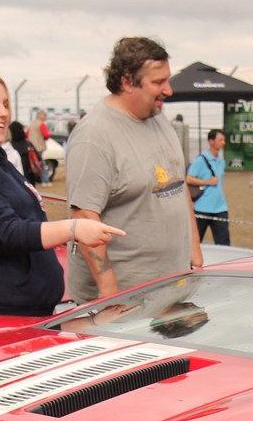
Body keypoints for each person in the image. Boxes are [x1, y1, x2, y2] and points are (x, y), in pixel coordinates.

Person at [0, 72, 122, 316]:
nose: (3, 112)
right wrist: (73, 229)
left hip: (25, 311)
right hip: (0, 316)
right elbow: (1, 231)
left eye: (6, 104)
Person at [66, 36, 203, 304]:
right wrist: (109, 295)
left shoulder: (158, 118)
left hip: (172, 289)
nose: (168, 91)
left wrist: (194, 250)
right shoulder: (95, 136)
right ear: (127, 82)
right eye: (157, 82)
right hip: (127, 302)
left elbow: (178, 184)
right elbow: (84, 216)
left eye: (167, 79)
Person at [187, 128, 231, 245]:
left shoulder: (222, 161)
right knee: (195, 242)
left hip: (221, 208)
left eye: (224, 140)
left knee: (224, 243)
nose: (223, 143)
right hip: (202, 208)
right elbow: (188, 179)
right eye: (220, 140)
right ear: (211, 141)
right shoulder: (200, 160)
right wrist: (208, 182)